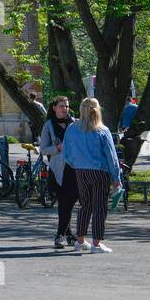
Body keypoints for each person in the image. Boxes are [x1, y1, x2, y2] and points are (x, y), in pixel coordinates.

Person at [61, 97, 122, 253]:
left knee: (85, 205)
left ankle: (80, 240)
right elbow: (111, 156)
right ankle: (96, 243)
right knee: (100, 207)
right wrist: (116, 178)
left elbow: (66, 153)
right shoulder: (102, 130)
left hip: (80, 171)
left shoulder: (72, 128)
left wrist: (77, 164)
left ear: (81, 110)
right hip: (100, 172)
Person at [38, 96, 77, 248]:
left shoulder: (75, 123)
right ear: (54, 107)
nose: (65, 109)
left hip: (74, 168)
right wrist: (57, 149)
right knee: (64, 203)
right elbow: (43, 149)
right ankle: (65, 234)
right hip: (58, 169)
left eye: (66, 106)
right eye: (61, 106)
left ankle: (63, 234)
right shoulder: (48, 125)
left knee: (68, 203)